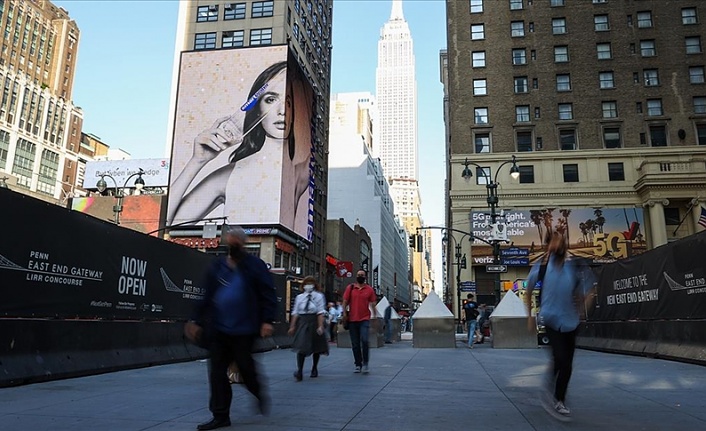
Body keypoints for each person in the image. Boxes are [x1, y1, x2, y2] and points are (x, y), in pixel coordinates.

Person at [168, 60, 311, 236]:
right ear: (257, 108)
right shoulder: (230, 175)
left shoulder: (301, 171)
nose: (282, 110)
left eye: (290, 102)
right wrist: (197, 161)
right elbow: (167, 227)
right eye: (271, 99)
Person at [184, 226, 277, 431]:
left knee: (245, 368)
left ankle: (258, 391)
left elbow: (267, 294)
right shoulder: (217, 267)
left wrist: (267, 320)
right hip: (218, 329)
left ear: (243, 244)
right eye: (229, 240)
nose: (232, 243)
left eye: (236, 241)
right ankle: (220, 415)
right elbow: (206, 296)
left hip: (244, 329)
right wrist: (195, 320)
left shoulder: (255, 266)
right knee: (217, 373)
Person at [525, 231, 595, 421]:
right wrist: (530, 316)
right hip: (550, 318)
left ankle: (559, 398)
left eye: (560, 242)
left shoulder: (575, 266)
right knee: (560, 357)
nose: (557, 245)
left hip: (571, 320)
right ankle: (556, 395)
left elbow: (589, 290)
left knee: (566, 364)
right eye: (553, 242)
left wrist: (584, 306)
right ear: (548, 246)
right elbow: (528, 290)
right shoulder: (542, 266)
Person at [288, 276, 329, 381]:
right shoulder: (300, 297)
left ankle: (314, 368)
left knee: (316, 346)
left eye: (311, 283)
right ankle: (299, 370)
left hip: (314, 320)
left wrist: (320, 326)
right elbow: (295, 312)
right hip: (303, 322)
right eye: (307, 283)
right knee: (301, 346)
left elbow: (320, 311)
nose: (309, 285)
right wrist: (292, 326)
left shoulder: (319, 296)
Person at [341, 269, 378, 373]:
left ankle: (365, 363)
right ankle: (358, 364)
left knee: (365, 340)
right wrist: (344, 314)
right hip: (352, 319)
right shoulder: (350, 288)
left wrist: (375, 317)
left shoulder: (369, 289)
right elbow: (344, 302)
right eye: (358, 275)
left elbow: (373, 304)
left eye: (362, 275)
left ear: (365, 277)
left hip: (364, 319)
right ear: (356, 276)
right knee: (355, 343)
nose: (360, 276)